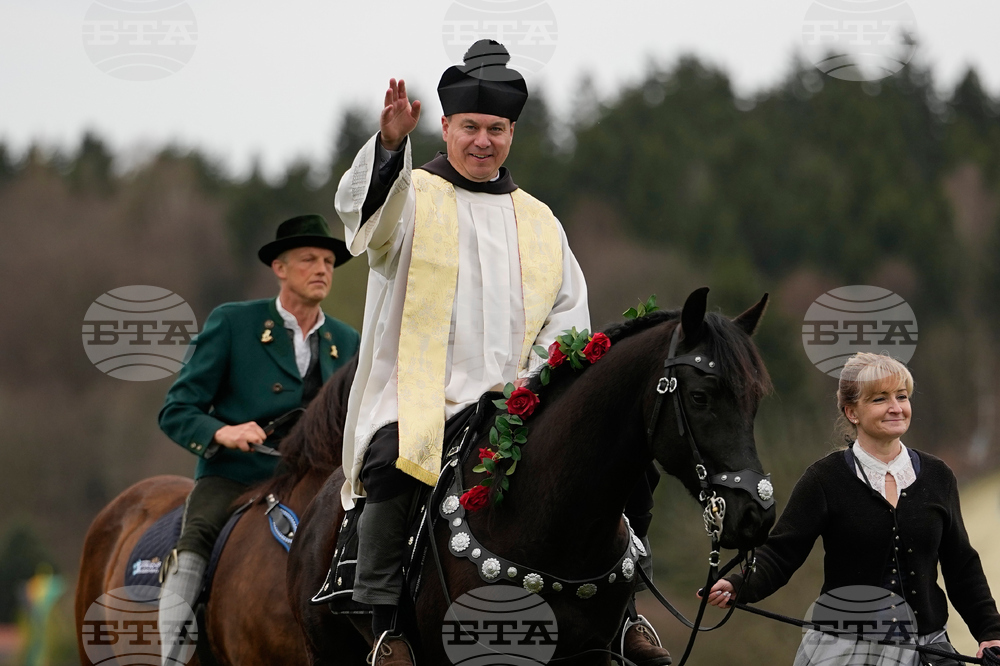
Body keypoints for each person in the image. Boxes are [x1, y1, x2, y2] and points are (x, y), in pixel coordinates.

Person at [334, 39, 670, 666]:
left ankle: (622, 611)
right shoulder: (414, 195)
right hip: (421, 392)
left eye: (495, 128)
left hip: (520, 395)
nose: (482, 140)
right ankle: (383, 624)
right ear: (445, 126)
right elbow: (365, 224)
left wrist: (538, 386)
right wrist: (386, 148)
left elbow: (568, 319)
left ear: (512, 132)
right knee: (393, 460)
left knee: (618, 462)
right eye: (470, 127)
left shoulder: (540, 220)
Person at [705, 352, 1000, 664]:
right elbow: (781, 553)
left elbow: (961, 564)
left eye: (902, 396)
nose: (896, 407)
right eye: (879, 399)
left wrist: (990, 631)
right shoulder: (824, 479)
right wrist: (738, 584)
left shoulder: (939, 476)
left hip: (927, 649)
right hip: (847, 650)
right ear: (852, 411)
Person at [156, 214, 360, 665]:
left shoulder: (347, 341)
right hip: (238, 477)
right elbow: (176, 410)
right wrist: (222, 432)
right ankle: (170, 653)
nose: (322, 268)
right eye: (308, 259)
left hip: (318, 484)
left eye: (328, 260)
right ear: (280, 268)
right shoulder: (234, 323)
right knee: (197, 539)